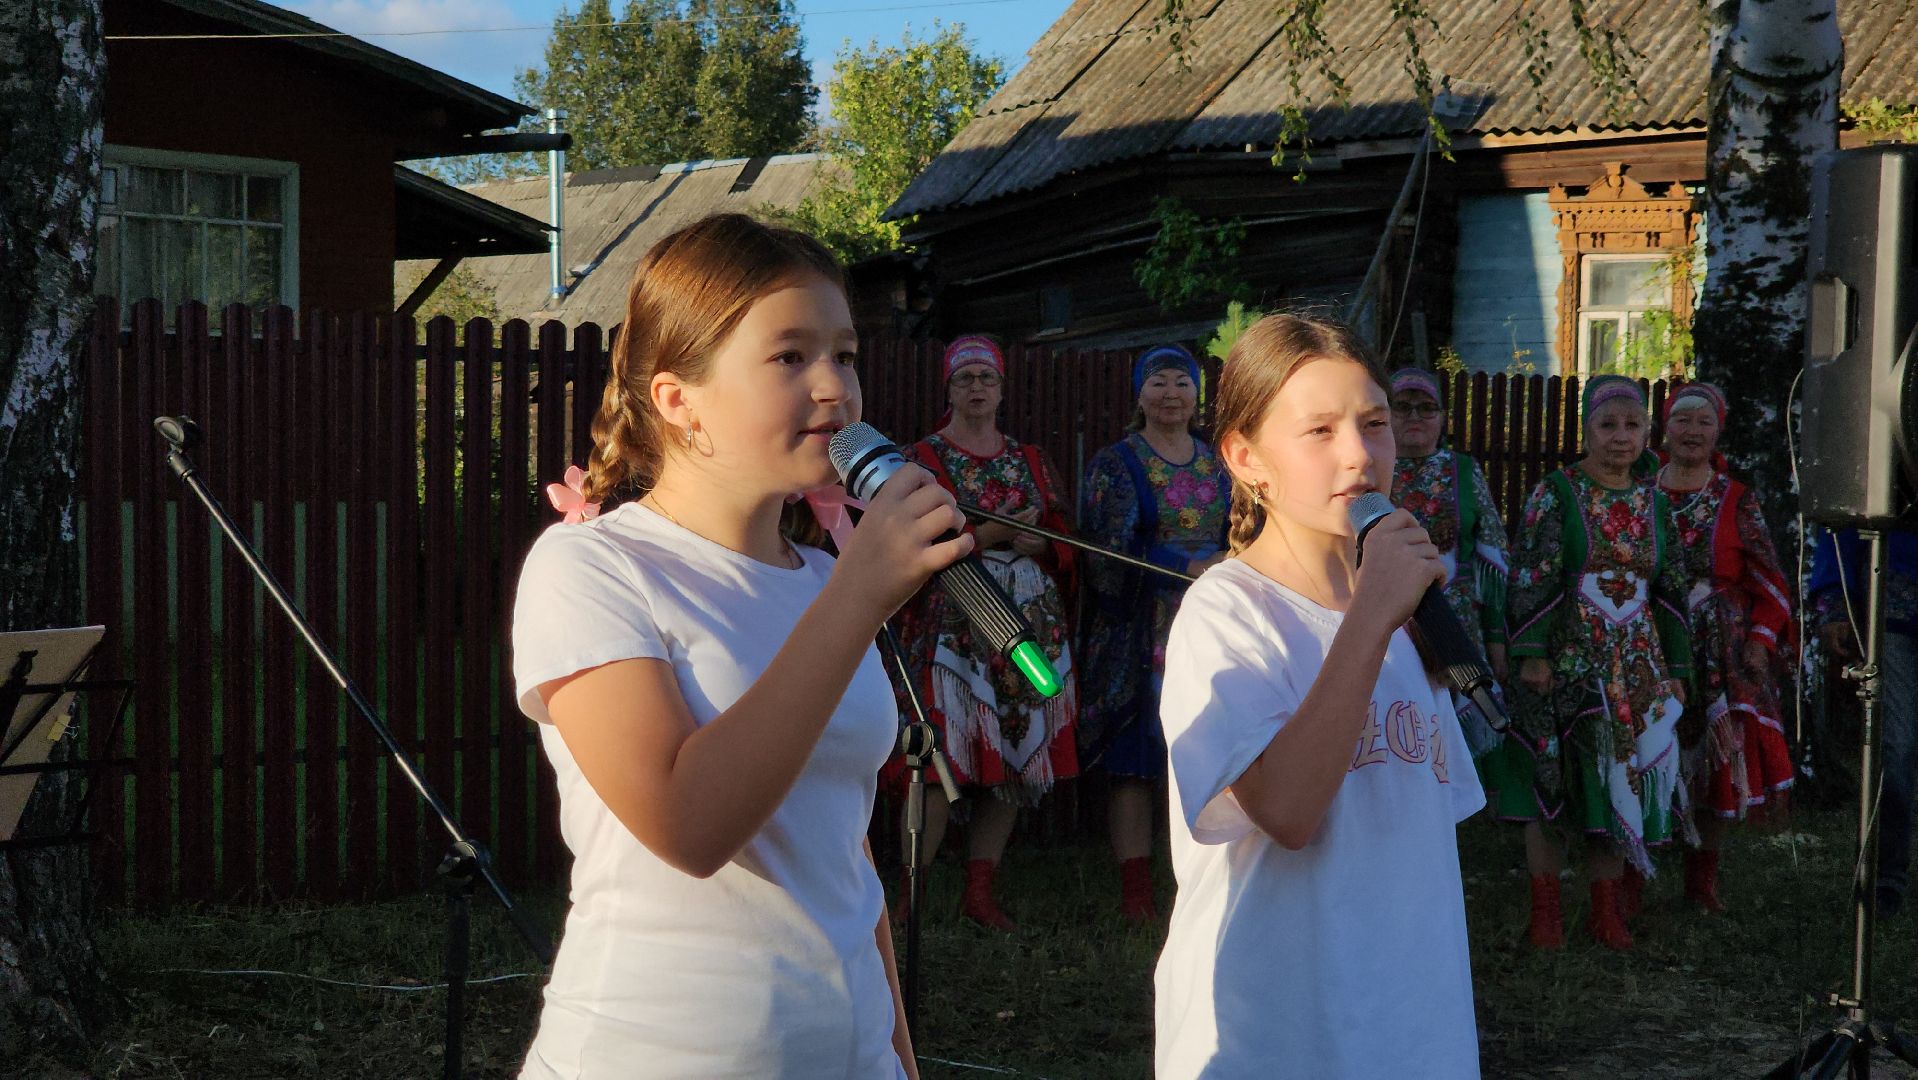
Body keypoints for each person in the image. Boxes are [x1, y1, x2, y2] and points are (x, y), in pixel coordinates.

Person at [510, 214, 961, 1078]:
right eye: (790, 357)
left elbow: (841, 848)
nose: (834, 388)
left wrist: (897, 1057)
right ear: (677, 399)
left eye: (845, 355)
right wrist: (858, 599)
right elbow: (688, 826)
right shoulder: (593, 568)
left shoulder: (824, 577)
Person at [1155, 313, 1483, 1079]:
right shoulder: (1228, 612)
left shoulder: (1404, 616)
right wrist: (1371, 618)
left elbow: (1413, 839)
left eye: (1375, 424)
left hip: (1408, 1027)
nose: (1359, 454)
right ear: (1246, 458)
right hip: (1280, 1036)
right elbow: (1288, 812)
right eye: (1319, 431)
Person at [1490, 374, 1692, 951]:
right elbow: (1531, 575)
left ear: (1647, 432)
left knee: (1616, 778)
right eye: (1608, 425)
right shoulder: (1556, 493)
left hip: (1635, 666)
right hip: (1567, 662)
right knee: (1552, 779)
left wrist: (1677, 669)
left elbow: (1671, 590)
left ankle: (1607, 914)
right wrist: (1531, 653)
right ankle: (1547, 915)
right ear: (1585, 431)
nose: (1620, 437)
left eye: (1632, 425)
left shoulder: (1655, 503)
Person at [888, 334, 1079, 931]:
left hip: (1028, 627)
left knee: (1015, 758)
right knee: (939, 758)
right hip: (952, 625)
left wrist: (1040, 543)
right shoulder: (920, 459)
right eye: (965, 378)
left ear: (1001, 389)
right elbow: (905, 543)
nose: (977, 387)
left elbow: (1063, 536)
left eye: (986, 378)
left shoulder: (1031, 458)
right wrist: (988, 537)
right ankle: (910, 900)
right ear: (948, 389)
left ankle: (980, 890)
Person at [1078, 344, 1230, 922]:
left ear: (1198, 396)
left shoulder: (1221, 462)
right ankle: (1138, 892)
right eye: (1158, 382)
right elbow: (1104, 547)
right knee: (1135, 760)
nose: (1171, 394)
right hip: (1140, 631)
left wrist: (1227, 563)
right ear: (1139, 395)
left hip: (1212, 624)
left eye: (1182, 383)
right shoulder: (1117, 463)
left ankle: (1204, 879)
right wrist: (1185, 566)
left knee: (1209, 750)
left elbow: (1248, 527)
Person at [1654, 382, 1795, 912]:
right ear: (1665, 428)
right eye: (1682, 420)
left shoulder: (1736, 498)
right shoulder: (1639, 491)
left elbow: (1771, 580)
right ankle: (1628, 880)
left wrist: (1760, 641)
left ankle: (1701, 884)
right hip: (1648, 639)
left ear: (1718, 432)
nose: (1692, 431)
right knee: (1646, 751)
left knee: (1714, 764)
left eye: (1703, 422)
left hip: (1720, 650)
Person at [1386, 367, 1511, 756]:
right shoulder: (1370, 467)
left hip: (1458, 622)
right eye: (1402, 406)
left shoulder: (1463, 470)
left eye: (1427, 408)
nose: (1415, 416)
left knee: (1459, 739)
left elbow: (1491, 557)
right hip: (1388, 621)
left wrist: (1496, 641)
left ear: (1442, 418)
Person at [1809, 527, 1918, 919]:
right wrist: (1835, 601)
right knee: (1896, 748)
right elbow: (1842, 517)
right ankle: (1885, 878)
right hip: (1892, 609)